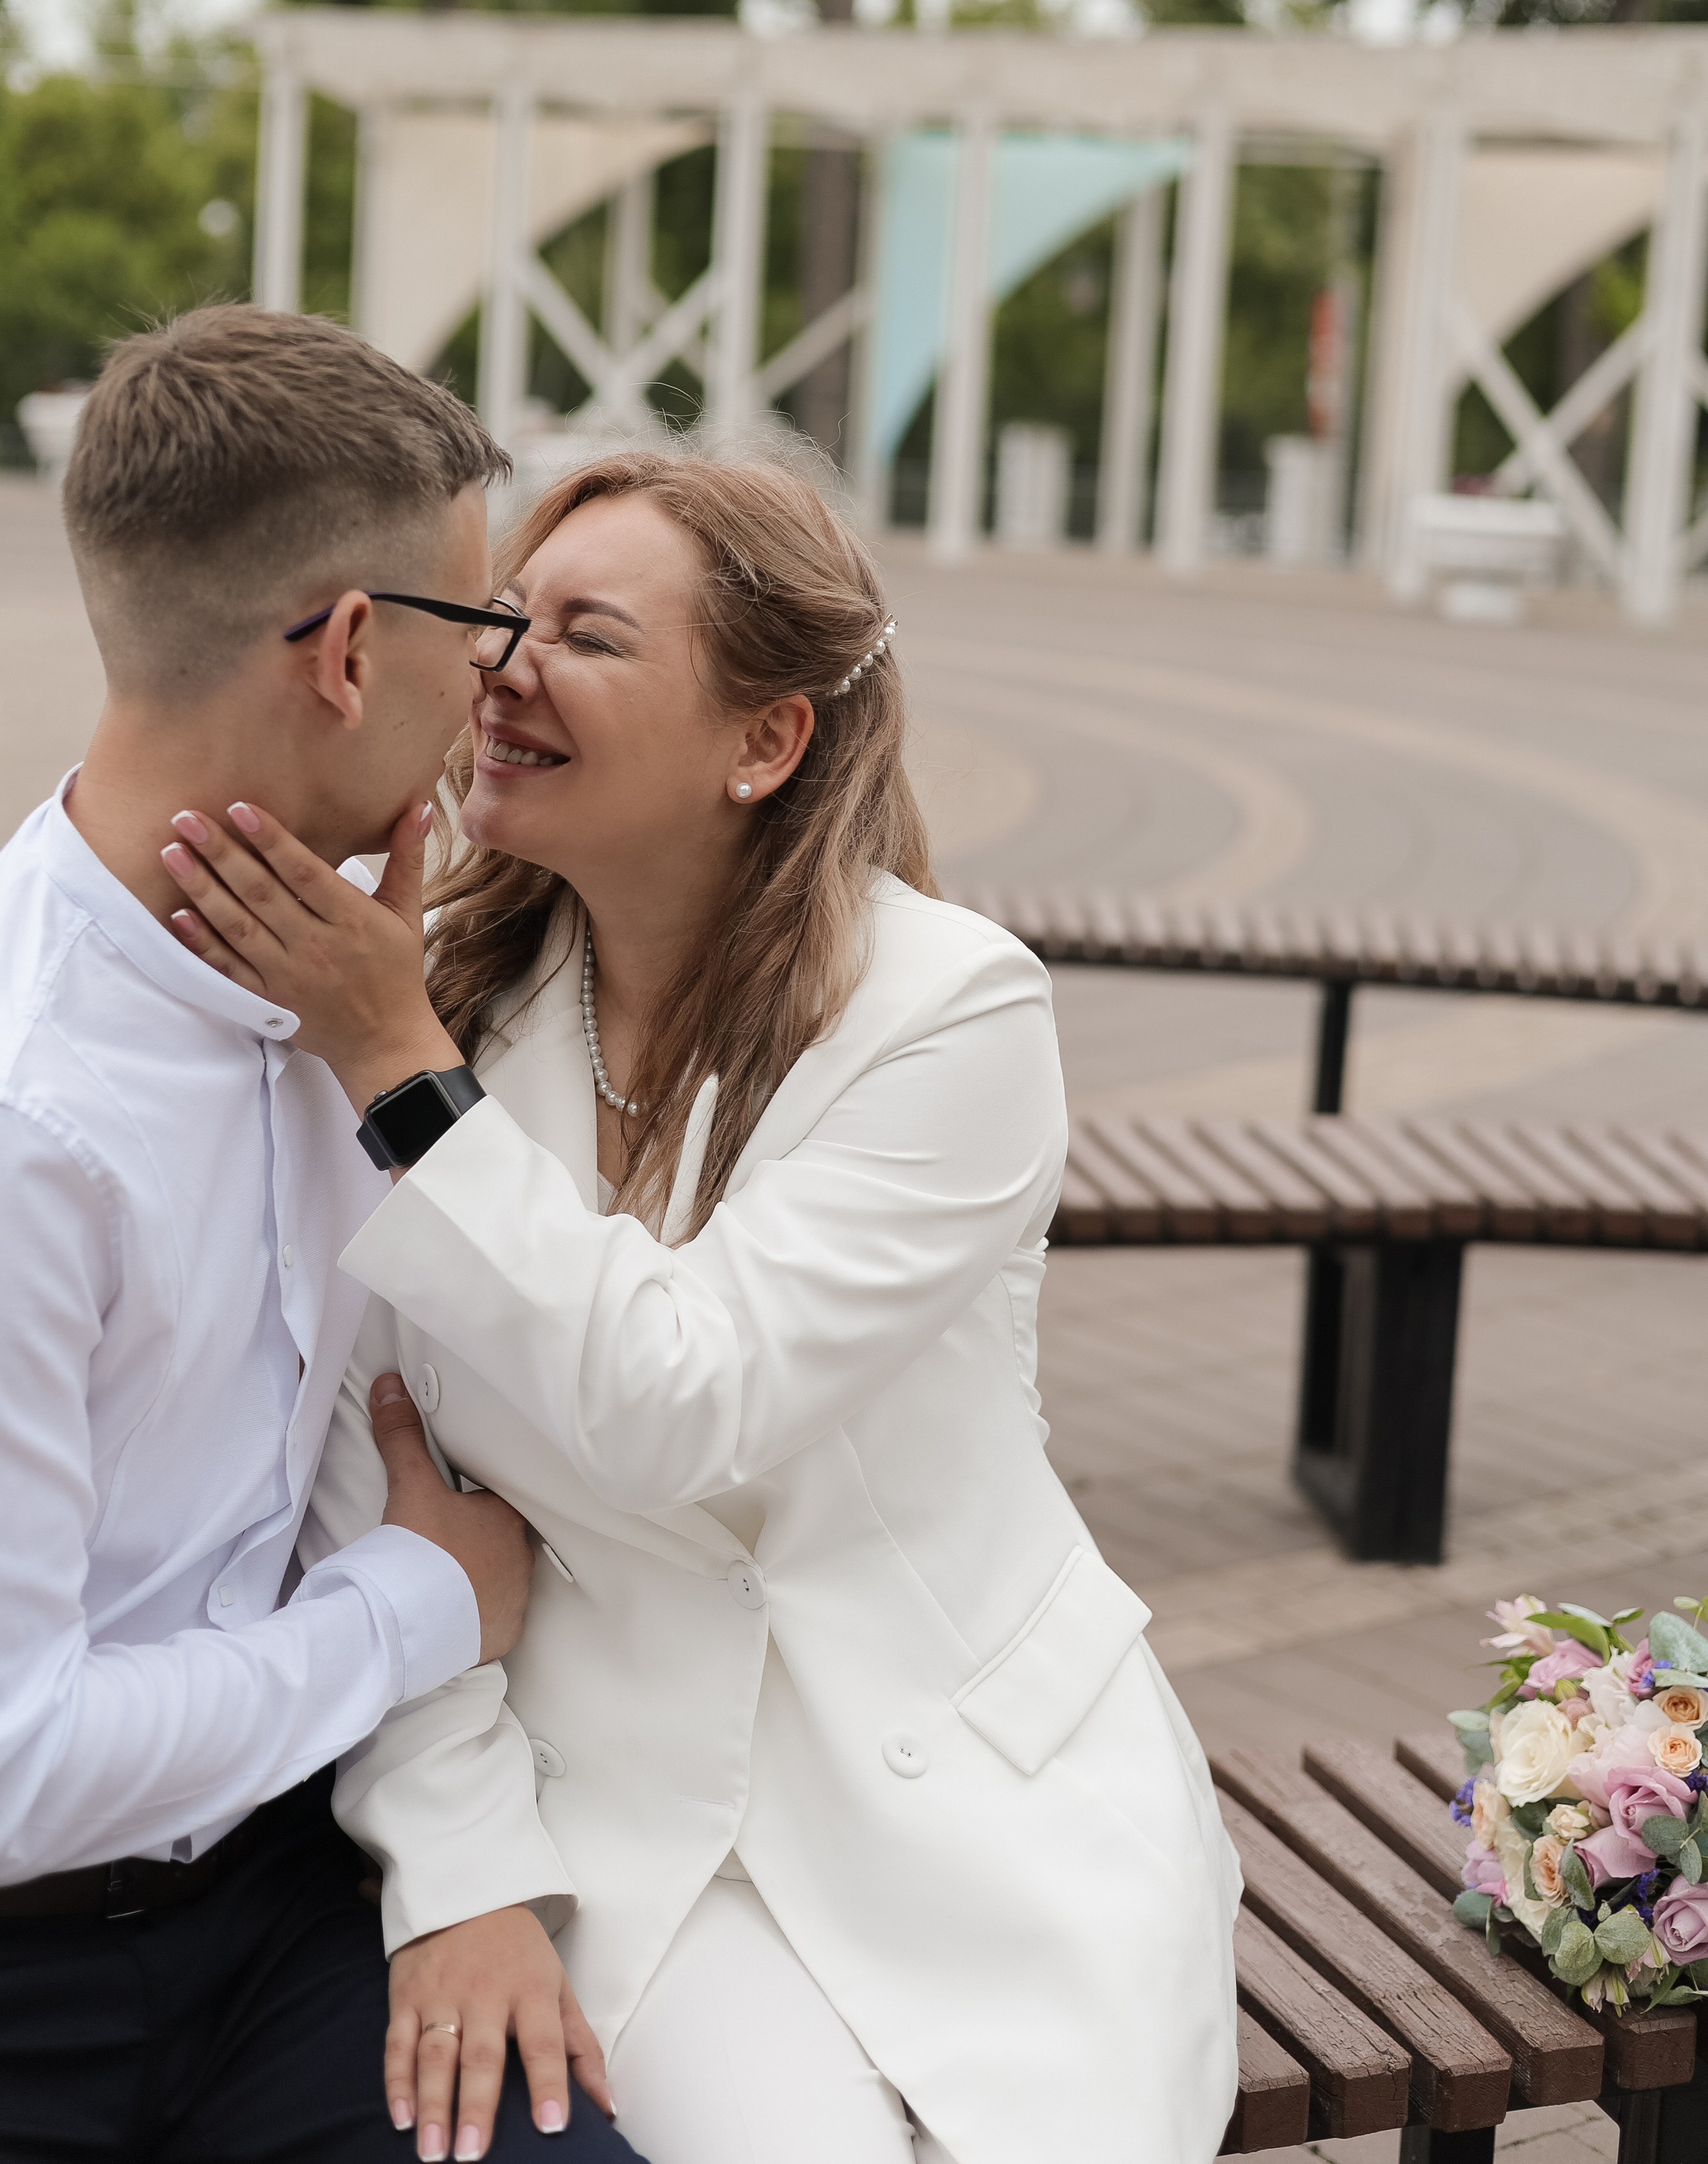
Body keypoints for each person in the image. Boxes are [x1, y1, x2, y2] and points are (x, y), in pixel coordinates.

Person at [166, 442, 1244, 2164]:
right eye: (502, 617)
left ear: (765, 742)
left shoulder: (948, 1016)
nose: (504, 665)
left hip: (974, 1794)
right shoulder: (440, 1012)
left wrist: (392, 1062)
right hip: (628, 1812)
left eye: (588, 635)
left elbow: (686, 1398)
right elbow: (362, 1494)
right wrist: (461, 1876)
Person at [0, 308, 642, 2164]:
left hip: (279, 1910)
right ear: (353, 649)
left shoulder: (349, 959)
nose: (500, 684)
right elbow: (22, 1770)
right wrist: (419, 1606)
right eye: (481, 624)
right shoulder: (35, 1119)